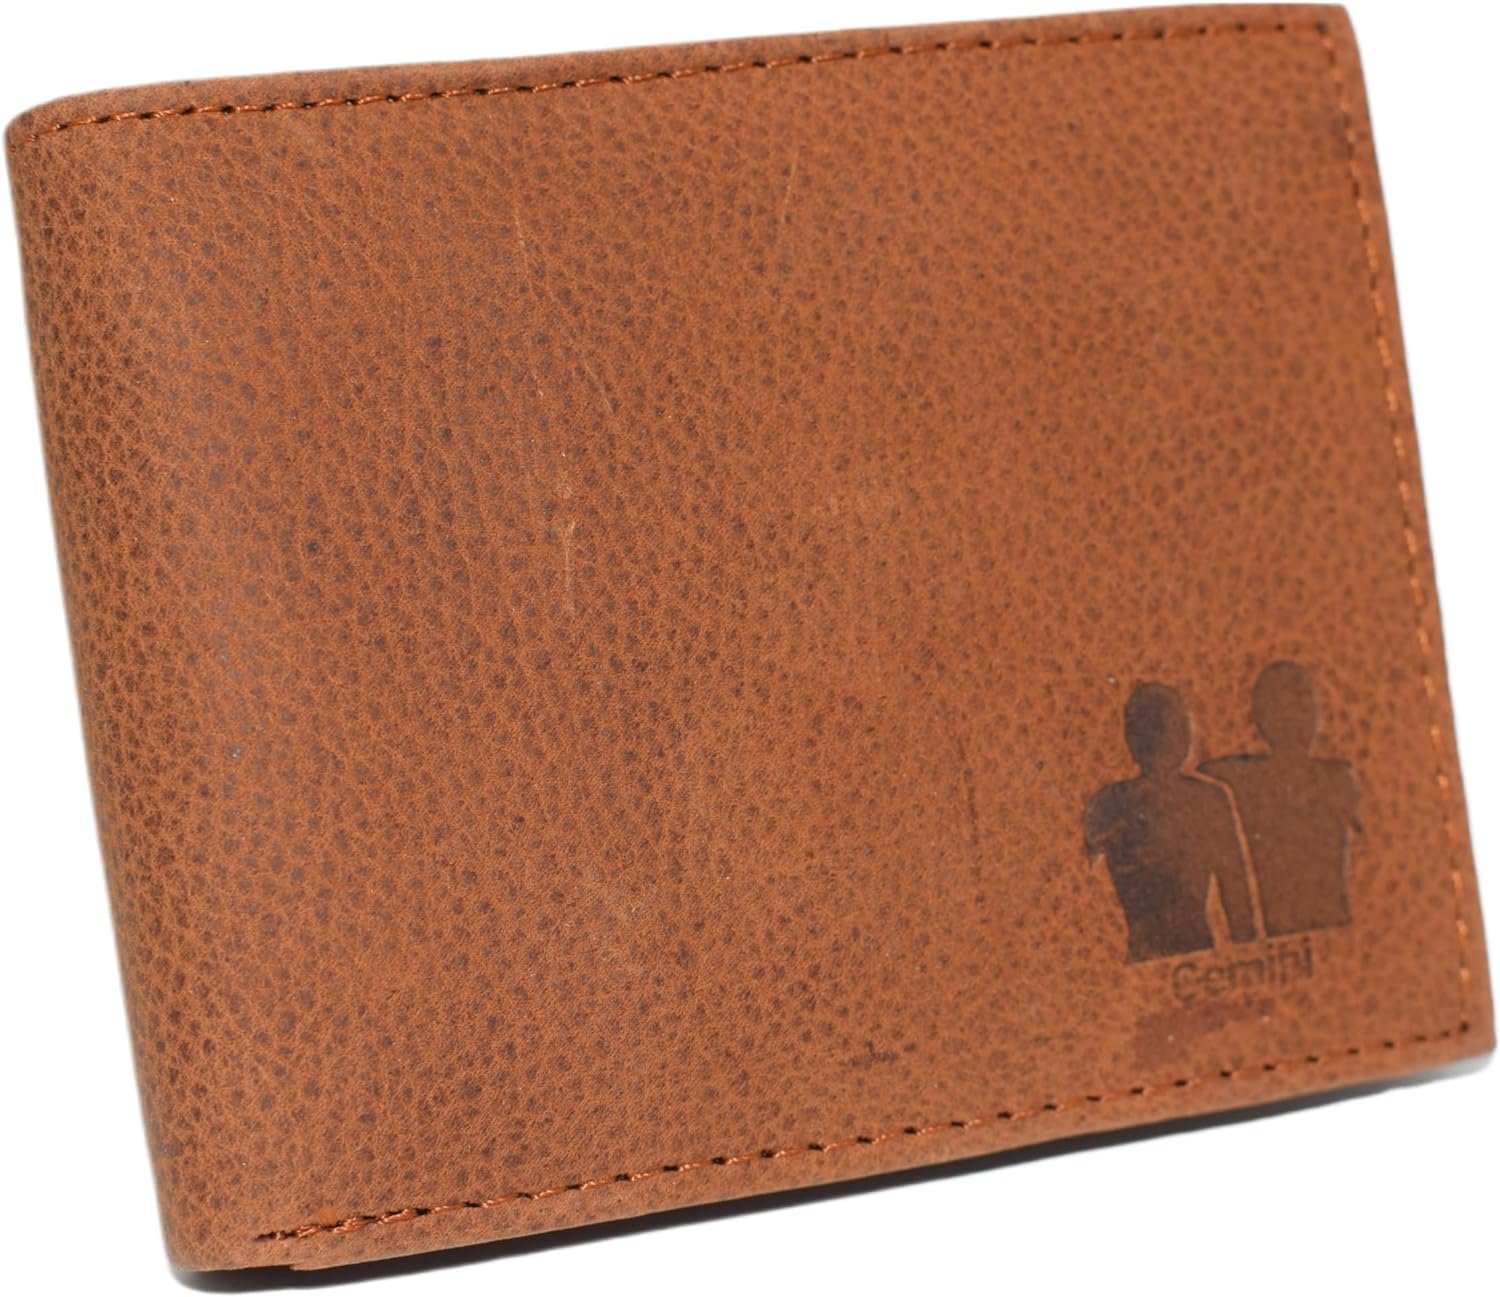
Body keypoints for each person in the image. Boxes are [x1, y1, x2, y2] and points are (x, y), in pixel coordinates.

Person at [1085, 683, 1257, 961]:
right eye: (1157, 729)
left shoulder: (1109, 802)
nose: (1166, 739)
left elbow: (1237, 896)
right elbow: (1238, 898)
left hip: (1168, 956)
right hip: (1178, 956)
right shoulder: (1207, 798)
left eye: (1175, 727)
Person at [1200, 662, 1360, 936]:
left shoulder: (1245, 780)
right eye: (1297, 705)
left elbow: (1211, 770)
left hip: (1310, 930)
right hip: (1316, 929)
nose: (1303, 714)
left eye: (1304, 703)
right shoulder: (1337, 778)